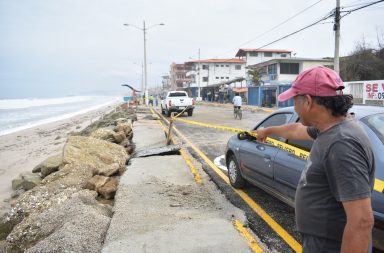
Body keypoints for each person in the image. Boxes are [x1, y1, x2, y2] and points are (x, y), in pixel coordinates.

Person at [255, 66, 375, 253]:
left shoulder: (342, 143)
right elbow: (296, 130)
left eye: (295, 100)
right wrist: (268, 130)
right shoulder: (328, 129)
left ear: (308, 101)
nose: (294, 107)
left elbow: (361, 221)